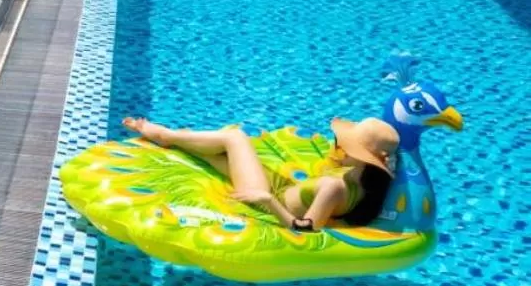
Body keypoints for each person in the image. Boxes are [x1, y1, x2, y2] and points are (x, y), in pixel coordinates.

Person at [120, 115, 398, 231]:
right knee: (208, 153)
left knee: (234, 138)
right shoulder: (370, 183)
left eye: (345, 145)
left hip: (266, 198)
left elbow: (305, 230)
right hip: (279, 185)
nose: (339, 146)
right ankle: (175, 139)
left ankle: (164, 134)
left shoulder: (335, 188)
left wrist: (266, 200)